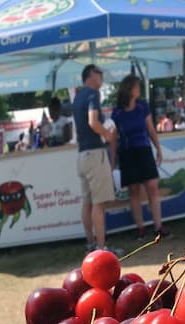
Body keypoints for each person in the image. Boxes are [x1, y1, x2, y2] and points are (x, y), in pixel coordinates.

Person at [110, 73, 169, 241]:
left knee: (152, 187)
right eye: (137, 86)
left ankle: (158, 226)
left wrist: (158, 148)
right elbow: (114, 139)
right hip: (127, 153)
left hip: (144, 151)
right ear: (129, 89)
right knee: (134, 192)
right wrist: (112, 159)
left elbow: (151, 130)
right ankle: (141, 229)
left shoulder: (143, 107)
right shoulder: (117, 113)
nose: (139, 90)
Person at [73, 64, 119, 255]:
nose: (101, 78)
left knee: (88, 202)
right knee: (99, 204)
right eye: (100, 73)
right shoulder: (92, 94)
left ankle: (91, 244)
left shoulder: (78, 97)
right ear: (91, 74)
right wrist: (107, 135)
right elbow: (93, 122)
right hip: (95, 154)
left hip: (82, 155)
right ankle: (102, 249)